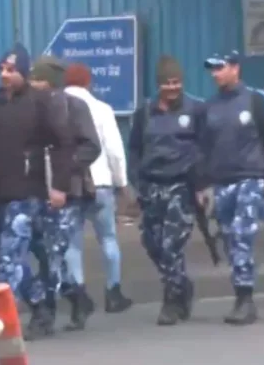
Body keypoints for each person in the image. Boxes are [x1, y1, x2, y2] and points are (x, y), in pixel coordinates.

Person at [0, 43, 74, 339]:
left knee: (9, 259)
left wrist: (60, 186)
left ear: (24, 72)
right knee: (3, 257)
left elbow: (63, 144)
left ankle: (2, 324)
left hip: (27, 193)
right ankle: (41, 305)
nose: (5, 75)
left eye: (11, 70)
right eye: (2, 69)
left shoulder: (40, 103)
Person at [201, 50, 264, 325]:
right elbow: (203, 148)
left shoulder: (256, 100)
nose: (215, 74)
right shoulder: (210, 106)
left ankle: (245, 298)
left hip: (250, 179)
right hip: (222, 183)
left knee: (241, 235)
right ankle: (241, 289)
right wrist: (202, 184)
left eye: (220, 68)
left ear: (235, 68)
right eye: (212, 69)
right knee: (228, 239)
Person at [128, 55, 205, 325]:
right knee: (152, 243)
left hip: (181, 186)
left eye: (177, 82)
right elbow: (134, 149)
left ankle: (171, 301)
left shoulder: (195, 109)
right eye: (167, 83)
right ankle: (182, 284)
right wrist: (136, 181)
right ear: (158, 84)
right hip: (151, 186)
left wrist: (202, 184)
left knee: (171, 245)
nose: (173, 88)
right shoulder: (145, 112)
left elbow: (206, 147)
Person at [26, 56, 101, 331]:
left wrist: (65, 171)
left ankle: (45, 313)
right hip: (35, 192)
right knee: (45, 252)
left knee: (54, 251)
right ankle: (78, 298)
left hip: (68, 193)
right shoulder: (28, 108)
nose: (32, 84)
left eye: (38, 79)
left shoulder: (73, 106)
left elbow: (91, 146)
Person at [63, 63, 133, 314]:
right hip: (101, 183)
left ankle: (80, 294)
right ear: (88, 82)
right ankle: (113, 292)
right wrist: (122, 183)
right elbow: (114, 150)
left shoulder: (57, 108)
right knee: (108, 238)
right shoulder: (103, 109)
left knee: (72, 243)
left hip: (70, 184)